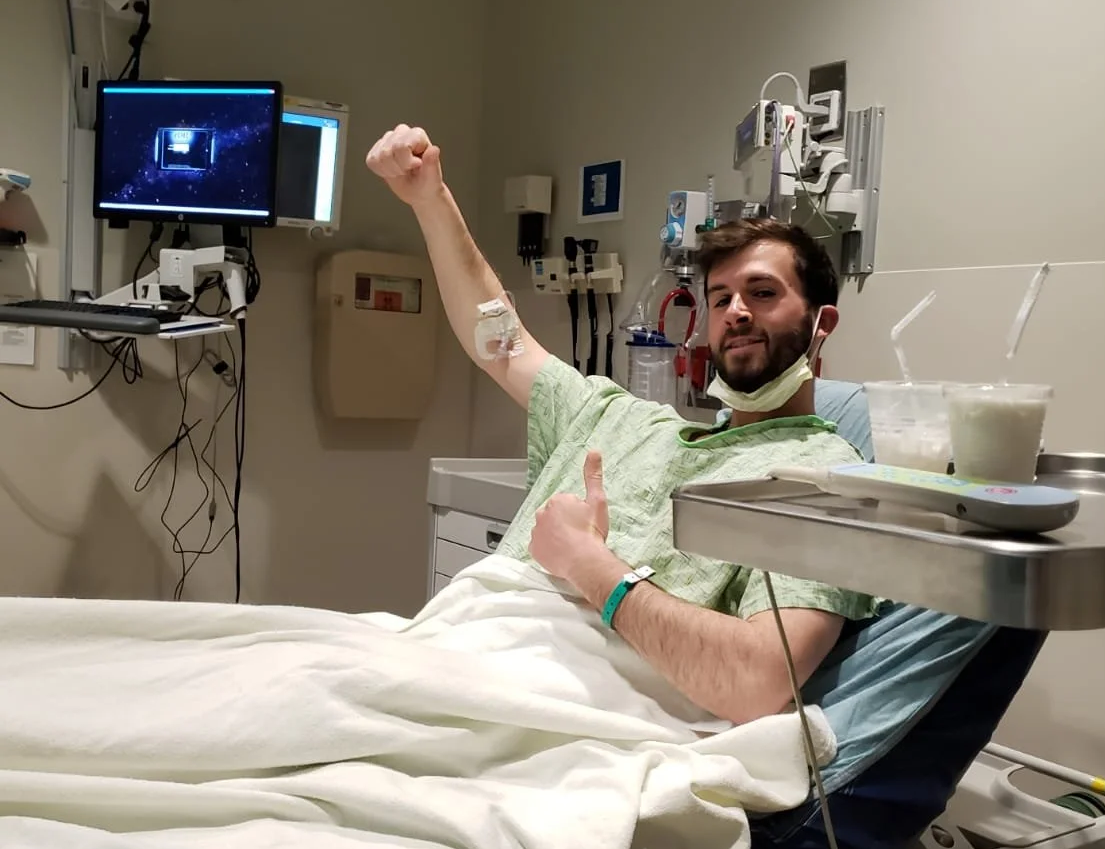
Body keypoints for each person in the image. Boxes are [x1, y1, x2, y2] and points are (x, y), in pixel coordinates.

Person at [367, 123, 875, 726]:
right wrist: (431, 200)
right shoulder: (618, 416)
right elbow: (498, 342)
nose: (736, 311)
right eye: (719, 299)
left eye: (762, 292)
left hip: (553, 705)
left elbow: (754, 682)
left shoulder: (818, 483)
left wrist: (590, 564)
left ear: (823, 323)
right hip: (456, 651)